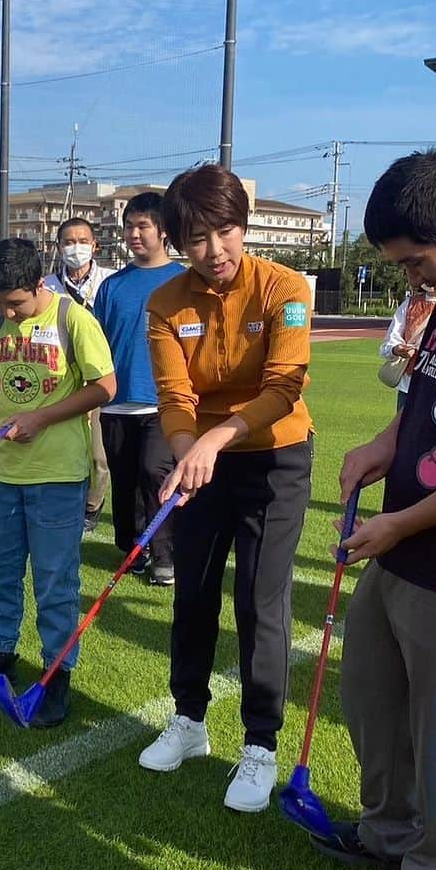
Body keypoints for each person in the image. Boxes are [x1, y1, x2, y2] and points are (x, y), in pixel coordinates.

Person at [313, 150, 436, 870]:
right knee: (372, 697)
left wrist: (402, 525)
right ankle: (389, 836)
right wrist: (382, 445)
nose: (415, 282)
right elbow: (427, 398)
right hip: (404, 548)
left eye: (418, 263)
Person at [137, 164, 313, 813]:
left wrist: (213, 441)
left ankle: (260, 746)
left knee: (260, 602)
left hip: (275, 458)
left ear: (245, 224)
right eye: (198, 239)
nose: (215, 252)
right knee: (194, 592)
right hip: (201, 460)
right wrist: (188, 452)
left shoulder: (285, 287)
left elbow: (284, 386)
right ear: (179, 242)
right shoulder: (165, 302)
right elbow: (175, 395)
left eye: (226, 231)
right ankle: (189, 722)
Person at [0, 238, 116, 726]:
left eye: (14, 303)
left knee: (54, 582)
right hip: (3, 474)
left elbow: (105, 385)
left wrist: (43, 418)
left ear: (39, 284)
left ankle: (56, 674)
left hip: (59, 477)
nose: (7, 313)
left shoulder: (73, 319)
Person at [93, 192, 185, 585]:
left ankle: (165, 554)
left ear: (163, 230)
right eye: (128, 226)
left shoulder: (183, 281)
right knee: (125, 480)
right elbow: (96, 342)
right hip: (116, 402)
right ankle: (133, 548)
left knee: (155, 473)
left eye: (142, 226)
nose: (133, 234)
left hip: (164, 402)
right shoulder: (112, 286)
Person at [44, 217, 114, 534]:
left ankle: (91, 507)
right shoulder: (46, 286)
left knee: (99, 456)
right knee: (61, 450)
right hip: (59, 380)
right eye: (69, 242)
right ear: (58, 247)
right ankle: (62, 505)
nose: (76, 248)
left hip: (98, 378)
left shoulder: (109, 282)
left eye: (83, 241)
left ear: (94, 245)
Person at [379, 284, 436, 411]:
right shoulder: (410, 304)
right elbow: (390, 341)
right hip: (408, 386)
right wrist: (397, 349)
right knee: (403, 429)